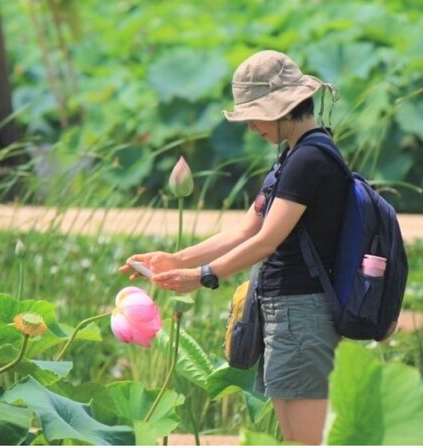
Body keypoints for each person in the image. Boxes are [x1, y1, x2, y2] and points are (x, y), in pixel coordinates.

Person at [121, 50, 345, 445]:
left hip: (303, 312)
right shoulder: (290, 157)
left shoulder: (311, 159)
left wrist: (203, 276)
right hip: (282, 311)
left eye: (255, 114)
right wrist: (176, 258)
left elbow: (266, 240)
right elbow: (245, 229)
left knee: (308, 440)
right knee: (293, 437)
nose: (251, 126)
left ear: (283, 108)